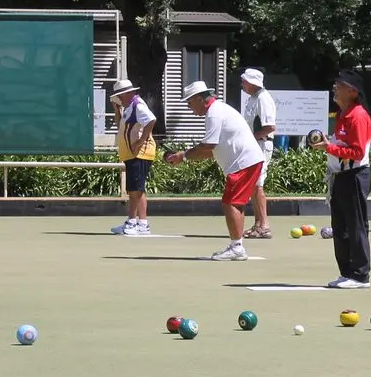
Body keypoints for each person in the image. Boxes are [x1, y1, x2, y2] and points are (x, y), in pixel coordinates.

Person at [163, 81, 265, 261]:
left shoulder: (214, 113)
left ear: (200, 99)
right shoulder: (218, 110)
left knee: (230, 203)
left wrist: (182, 156)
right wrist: (185, 156)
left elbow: (208, 146)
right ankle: (237, 246)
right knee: (235, 203)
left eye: (189, 102)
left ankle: (237, 248)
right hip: (248, 161)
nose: (189, 108)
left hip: (244, 162)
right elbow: (210, 151)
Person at [312, 70, 371, 289]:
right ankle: (347, 272)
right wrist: (331, 144)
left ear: (352, 91)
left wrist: (329, 147)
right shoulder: (342, 114)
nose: (334, 88)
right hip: (340, 175)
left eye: (339, 85)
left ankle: (360, 275)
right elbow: (344, 145)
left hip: (355, 175)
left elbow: (357, 152)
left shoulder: (358, 115)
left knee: (356, 225)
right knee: (340, 226)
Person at [109, 78, 157, 236]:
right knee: (134, 188)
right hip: (131, 154)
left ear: (129, 93)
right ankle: (132, 221)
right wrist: (117, 111)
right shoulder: (128, 108)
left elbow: (151, 120)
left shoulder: (138, 105)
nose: (119, 98)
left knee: (137, 188)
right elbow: (120, 127)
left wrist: (140, 142)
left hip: (141, 152)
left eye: (121, 95)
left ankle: (142, 223)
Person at [239, 68, 277, 239]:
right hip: (255, 145)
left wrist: (250, 139)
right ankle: (258, 225)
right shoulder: (253, 98)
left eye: (245, 81)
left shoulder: (263, 98)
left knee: (258, 185)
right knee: (254, 185)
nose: (243, 83)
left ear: (253, 83)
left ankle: (264, 225)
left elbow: (269, 126)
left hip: (261, 145)